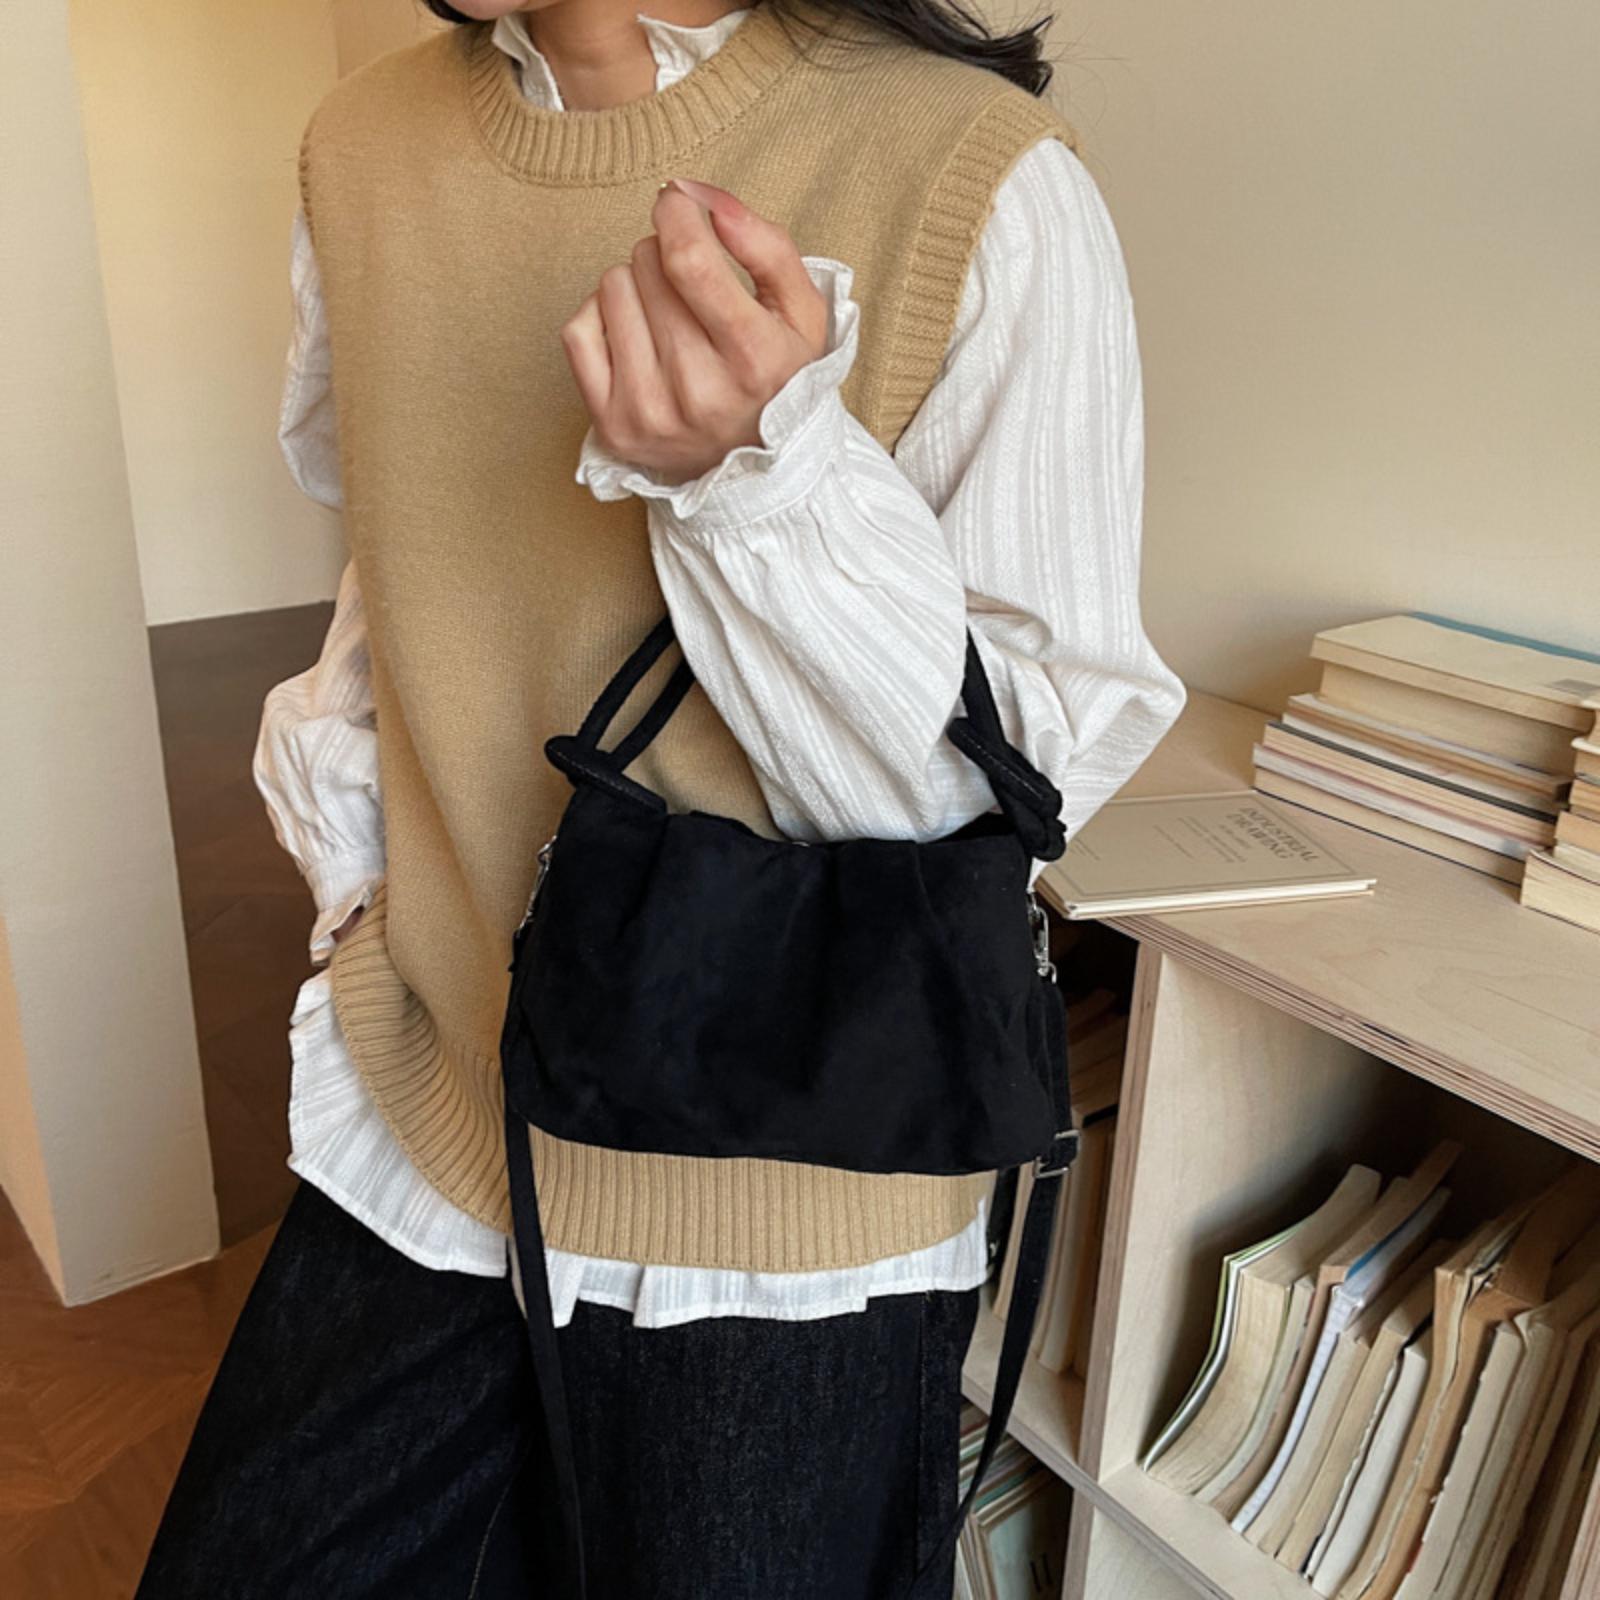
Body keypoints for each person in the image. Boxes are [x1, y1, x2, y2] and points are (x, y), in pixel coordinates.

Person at [135, 2, 1186, 1595]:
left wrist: (758, 484)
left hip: (786, 1209)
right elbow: (401, 567)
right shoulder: (362, 141)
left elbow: (1014, 788)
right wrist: (357, 885)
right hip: (429, 1115)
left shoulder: (975, 170)